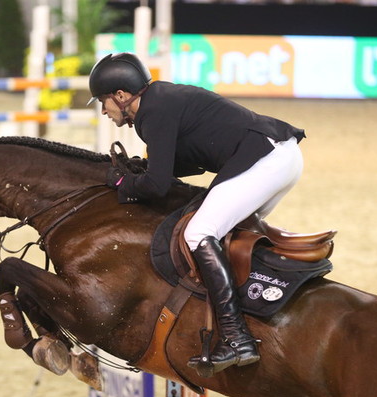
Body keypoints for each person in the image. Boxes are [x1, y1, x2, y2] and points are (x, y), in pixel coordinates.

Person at [88, 52, 305, 375]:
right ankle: (256, 313)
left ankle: (236, 336)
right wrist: (142, 170)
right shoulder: (159, 100)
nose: (103, 111)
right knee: (228, 232)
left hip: (266, 160)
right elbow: (185, 165)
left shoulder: (153, 112)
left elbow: (159, 185)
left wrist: (122, 181)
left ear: (121, 96)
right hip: (279, 157)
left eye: (103, 102)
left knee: (198, 232)